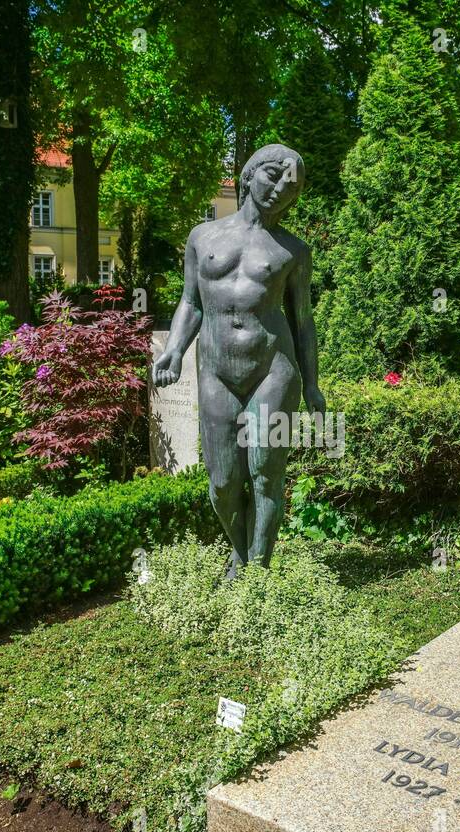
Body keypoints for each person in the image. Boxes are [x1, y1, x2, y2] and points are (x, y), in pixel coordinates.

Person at [152, 143, 326, 572]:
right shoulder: (202, 237)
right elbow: (190, 303)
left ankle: (257, 568)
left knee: (266, 469)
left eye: (292, 189)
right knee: (223, 482)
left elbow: (302, 322)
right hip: (215, 369)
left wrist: (311, 383)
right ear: (248, 175)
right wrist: (174, 350)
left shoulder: (293, 251)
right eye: (273, 177)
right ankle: (240, 549)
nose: (280, 192)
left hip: (273, 369)